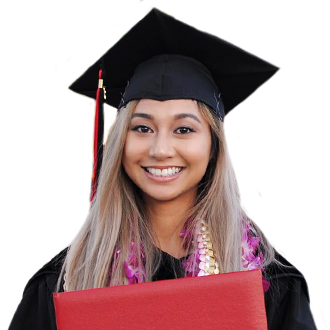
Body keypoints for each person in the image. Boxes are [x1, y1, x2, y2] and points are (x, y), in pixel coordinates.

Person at [9, 10, 317, 330]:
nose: (160, 150)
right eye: (142, 128)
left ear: (213, 147)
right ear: (120, 143)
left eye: (184, 129)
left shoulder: (269, 282)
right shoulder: (68, 280)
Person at [239, 147, 285, 247]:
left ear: (259, 174)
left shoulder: (271, 206)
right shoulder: (233, 200)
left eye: (248, 172)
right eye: (241, 172)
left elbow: (276, 242)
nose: (243, 176)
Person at [0, 149, 22, 225]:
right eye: (16, 157)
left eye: (20, 158)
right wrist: (18, 209)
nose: (19, 160)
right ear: (6, 161)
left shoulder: (21, 182)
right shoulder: (1, 181)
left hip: (19, 228)